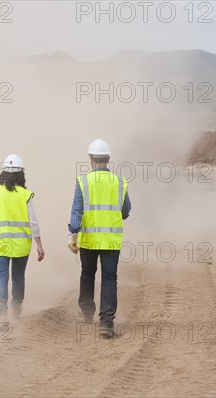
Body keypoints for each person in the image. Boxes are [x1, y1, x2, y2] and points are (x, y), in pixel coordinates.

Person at [67, 139, 131, 338]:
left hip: (89, 240)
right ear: (109, 159)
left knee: (87, 274)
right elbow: (126, 211)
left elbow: (77, 210)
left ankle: (87, 312)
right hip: (111, 240)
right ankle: (106, 324)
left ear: (91, 159)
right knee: (109, 279)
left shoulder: (83, 181)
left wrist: (73, 233)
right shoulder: (120, 182)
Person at [0, 154, 45, 330]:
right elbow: (33, 222)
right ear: (21, 174)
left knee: (1, 278)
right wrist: (39, 245)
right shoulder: (25, 194)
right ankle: (16, 308)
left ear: (3, 172)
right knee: (18, 277)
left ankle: (2, 314)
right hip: (20, 246)